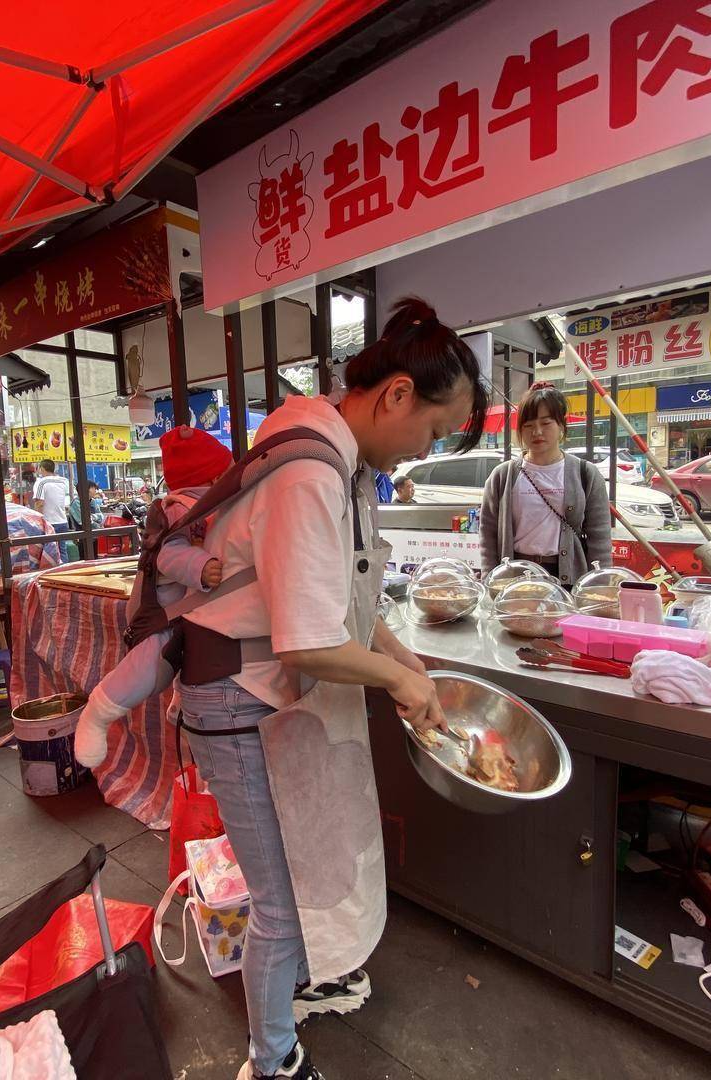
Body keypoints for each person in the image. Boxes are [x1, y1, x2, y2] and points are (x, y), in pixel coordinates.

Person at [175, 298, 486, 1080]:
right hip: (239, 698)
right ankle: (273, 1059)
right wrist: (397, 683)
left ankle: (304, 985)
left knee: (312, 863)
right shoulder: (313, 469)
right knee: (280, 902)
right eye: (434, 431)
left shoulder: (335, 461)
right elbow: (309, 638)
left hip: (270, 695)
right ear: (396, 397)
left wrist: (398, 655)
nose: (424, 450)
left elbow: (344, 600)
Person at [72, 426, 233, 766]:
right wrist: (201, 566)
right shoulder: (180, 509)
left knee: (184, 656)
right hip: (161, 611)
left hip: (183, 610)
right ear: (214, 476)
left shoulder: (205, 502)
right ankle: (98, 712)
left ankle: (179, 706)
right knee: (148, 664)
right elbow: (168, 554)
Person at [478, 381, 612, 586]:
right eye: (528, 425)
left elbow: (600, 536)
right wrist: (490, 578)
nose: (537, 432)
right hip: (514, 579)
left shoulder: (586, 473)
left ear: (561, 426)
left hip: (568, 577)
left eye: (546, 423)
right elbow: (488, 534)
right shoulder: (502, 476)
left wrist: (600, 584)